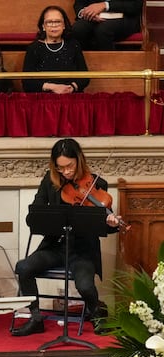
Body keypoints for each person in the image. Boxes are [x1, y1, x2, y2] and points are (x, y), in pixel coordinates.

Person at [11, 138, 119, 336]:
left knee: (85, 287)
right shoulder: (49, 182)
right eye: (61, 168)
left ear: (78, 160)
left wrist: (110, 222)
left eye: (69, 166)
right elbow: (34, 214)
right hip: (55, 247)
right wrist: (42, 216)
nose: (66, 172)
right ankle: (36, 318)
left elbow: (105, 226)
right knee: (24, 268)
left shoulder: (97, 183)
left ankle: (96, 313)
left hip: (82, 250)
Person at [22, 5, 89, 94]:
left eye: (58, 22)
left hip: (71, 97)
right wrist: (52, 87)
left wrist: (71, 87)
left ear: (64, 25)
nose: (54, 25)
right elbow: (27, 82)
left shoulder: (74, 45)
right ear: (43, 26)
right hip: (44, 101)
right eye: (49, 22)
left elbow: (85, 77)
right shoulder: (33, 48)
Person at [72, 0, 142, 50]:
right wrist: (85, 12)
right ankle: (82, 67)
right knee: (77, 28)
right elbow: (79, 3)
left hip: (125, 16)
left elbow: (135, 5)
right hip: (94, 17)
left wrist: (105, 5)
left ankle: (108, 67)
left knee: (103, 29)